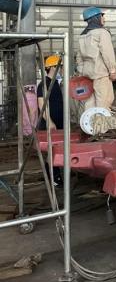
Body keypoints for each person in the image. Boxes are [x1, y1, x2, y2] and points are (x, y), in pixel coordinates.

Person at [76, 7, 116, 110]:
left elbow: (79, 58)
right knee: (104, 103)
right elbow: (107, 53)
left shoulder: (82, 36)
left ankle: (90, 121)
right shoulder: (102, 33)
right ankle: (102, 121)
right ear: (96, 18)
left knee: (89, 104)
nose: (104, 19)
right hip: (101, 75)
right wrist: (112, 70)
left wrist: (81, 73)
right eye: (102, 16)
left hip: (87, 75)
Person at [37, 54, 64, 186]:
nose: (62, 69)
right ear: (53, 67)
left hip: (57, 122)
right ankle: (54, 178)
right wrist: (50, 122)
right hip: (50, 123)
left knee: (56, 150)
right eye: (60, 66)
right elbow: (42, 105)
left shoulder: (56, 83)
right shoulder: (44, 84)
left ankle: (53, 176)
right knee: (52, 150)